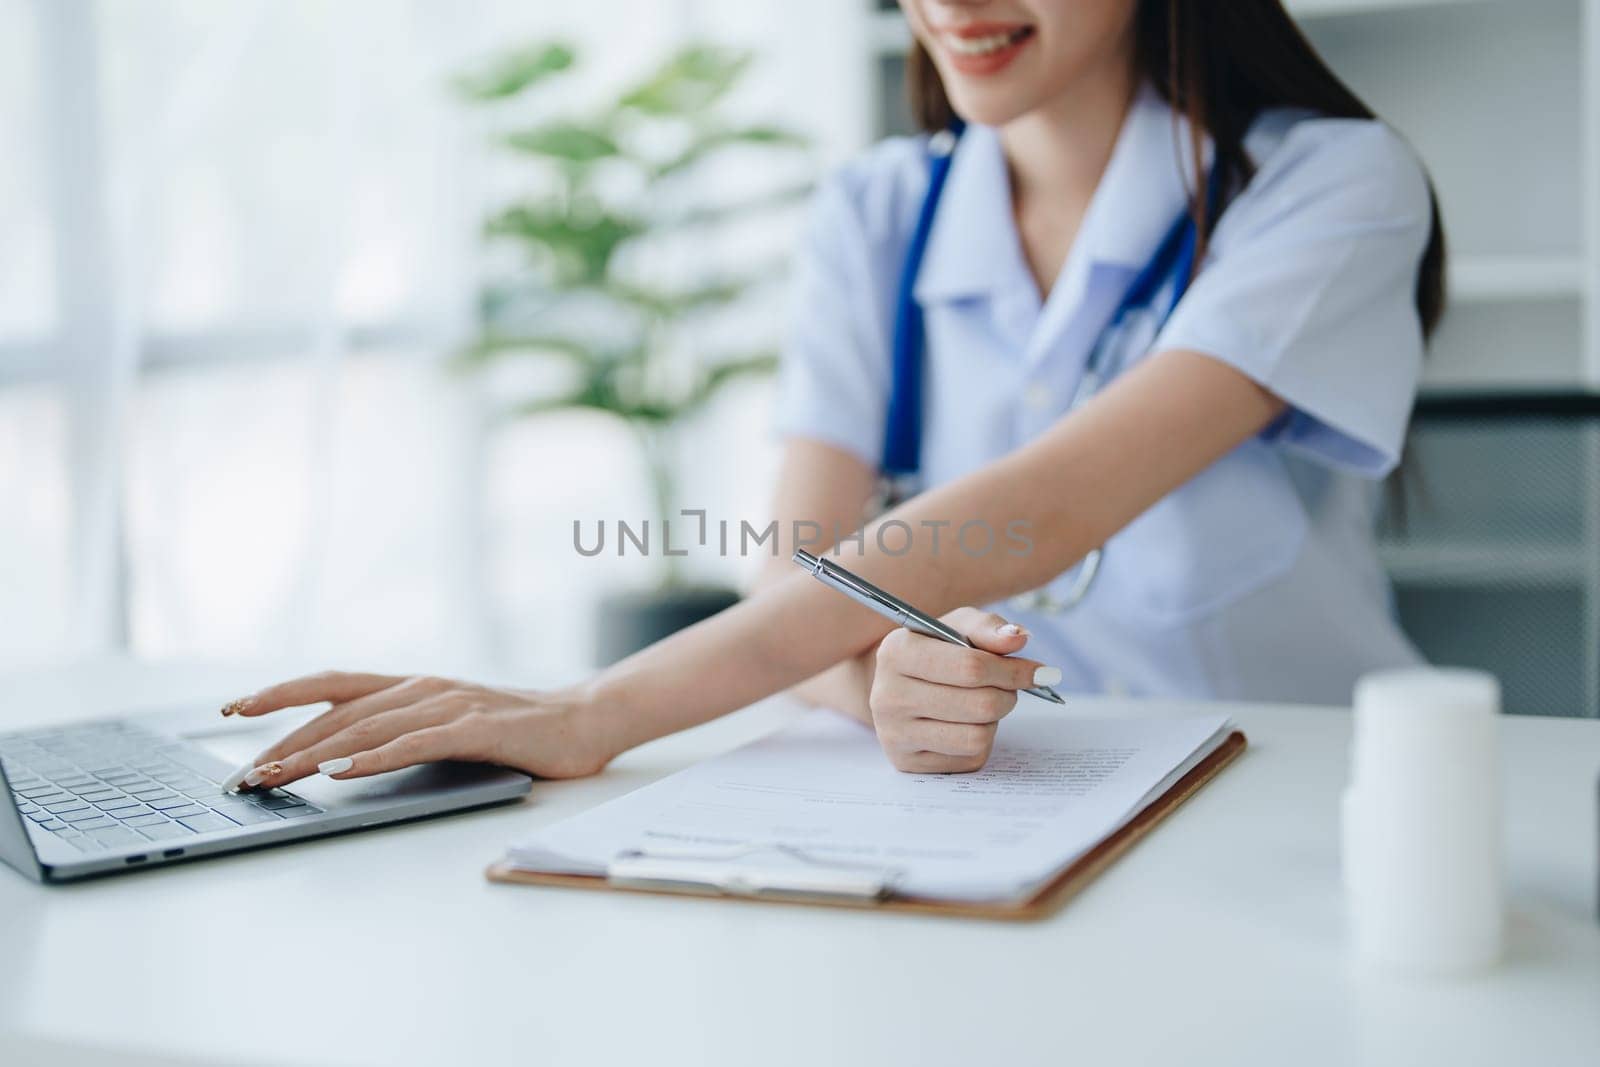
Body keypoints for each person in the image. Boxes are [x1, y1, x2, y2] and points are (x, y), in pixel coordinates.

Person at [219, 0, 1444, 787]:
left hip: (1289, 780)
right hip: (1010, 805)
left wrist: (598, 707)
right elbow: (792, 575)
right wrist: (886, 690)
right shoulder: (878, 212)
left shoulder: (1328, 184)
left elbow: (1041, 515)